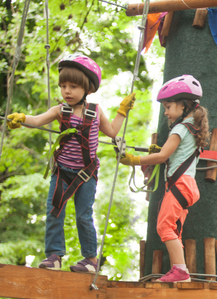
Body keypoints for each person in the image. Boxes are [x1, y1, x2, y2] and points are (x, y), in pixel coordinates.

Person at [6, 53, 135, 273]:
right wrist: (22, 118)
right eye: (63, 85)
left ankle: (91, 261)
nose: (67, 91)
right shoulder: (59, 111)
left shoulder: (95, 112)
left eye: (73, 86)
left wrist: (122, 112)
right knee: (54, 211)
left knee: (84, 215)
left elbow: (112, 132)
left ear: (88, 89)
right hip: (62, 172)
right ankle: (55, 256)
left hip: (86, 174)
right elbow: (37, 120)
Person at [119, 75, 209, 283]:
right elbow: (171, 154)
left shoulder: (179, 129)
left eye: (168, 106)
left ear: (184, 105)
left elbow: (162, 156)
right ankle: (179, 270)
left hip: (180, 185)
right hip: (187, 186)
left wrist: (133, 159)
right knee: (173, 229)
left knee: (164, 227)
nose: (166, 112)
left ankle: (180, 271)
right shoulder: (191, 128)